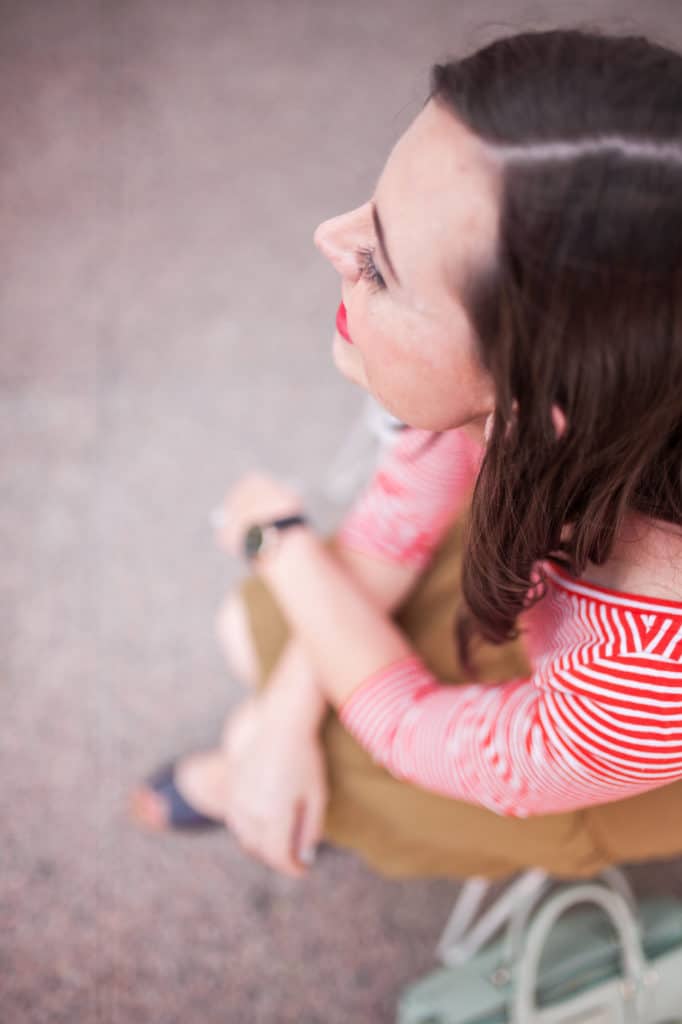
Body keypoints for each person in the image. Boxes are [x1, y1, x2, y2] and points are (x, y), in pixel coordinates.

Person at [132, 28, 682, 883]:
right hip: (544, 589)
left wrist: (274, 541)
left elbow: (420, 732)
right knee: (267, 667)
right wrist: (279, 722)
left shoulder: (644, 681)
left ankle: (262, 786)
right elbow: (412, 498)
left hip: (599, 767)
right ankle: (259, 771)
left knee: (283, 676)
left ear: (538, 408)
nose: (329, 236)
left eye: (380, 268)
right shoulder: (598, 400)